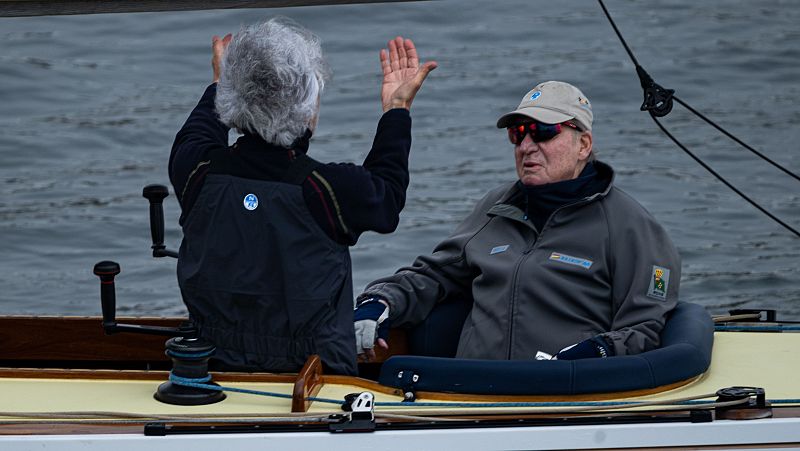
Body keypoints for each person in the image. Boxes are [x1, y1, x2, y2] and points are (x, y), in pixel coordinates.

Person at [168, 17, 436, 375]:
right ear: (307, 108)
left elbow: (199, 129)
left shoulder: (196, 172)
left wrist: (223, 83)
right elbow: (386, 199)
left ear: (232, 97)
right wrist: (396, 111)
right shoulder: (326, 189)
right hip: (312, 382)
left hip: (211, 369)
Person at [354, 80, 680, 362]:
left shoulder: (631, 226)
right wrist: (379, 300)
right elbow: (432, 276)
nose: (526, 146)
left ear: (584, 144)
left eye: (543, 132)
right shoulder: (495, 207)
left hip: (567, 398)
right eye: (517, 134)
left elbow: (646, 326)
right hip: (468, 397)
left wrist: (595, 354)